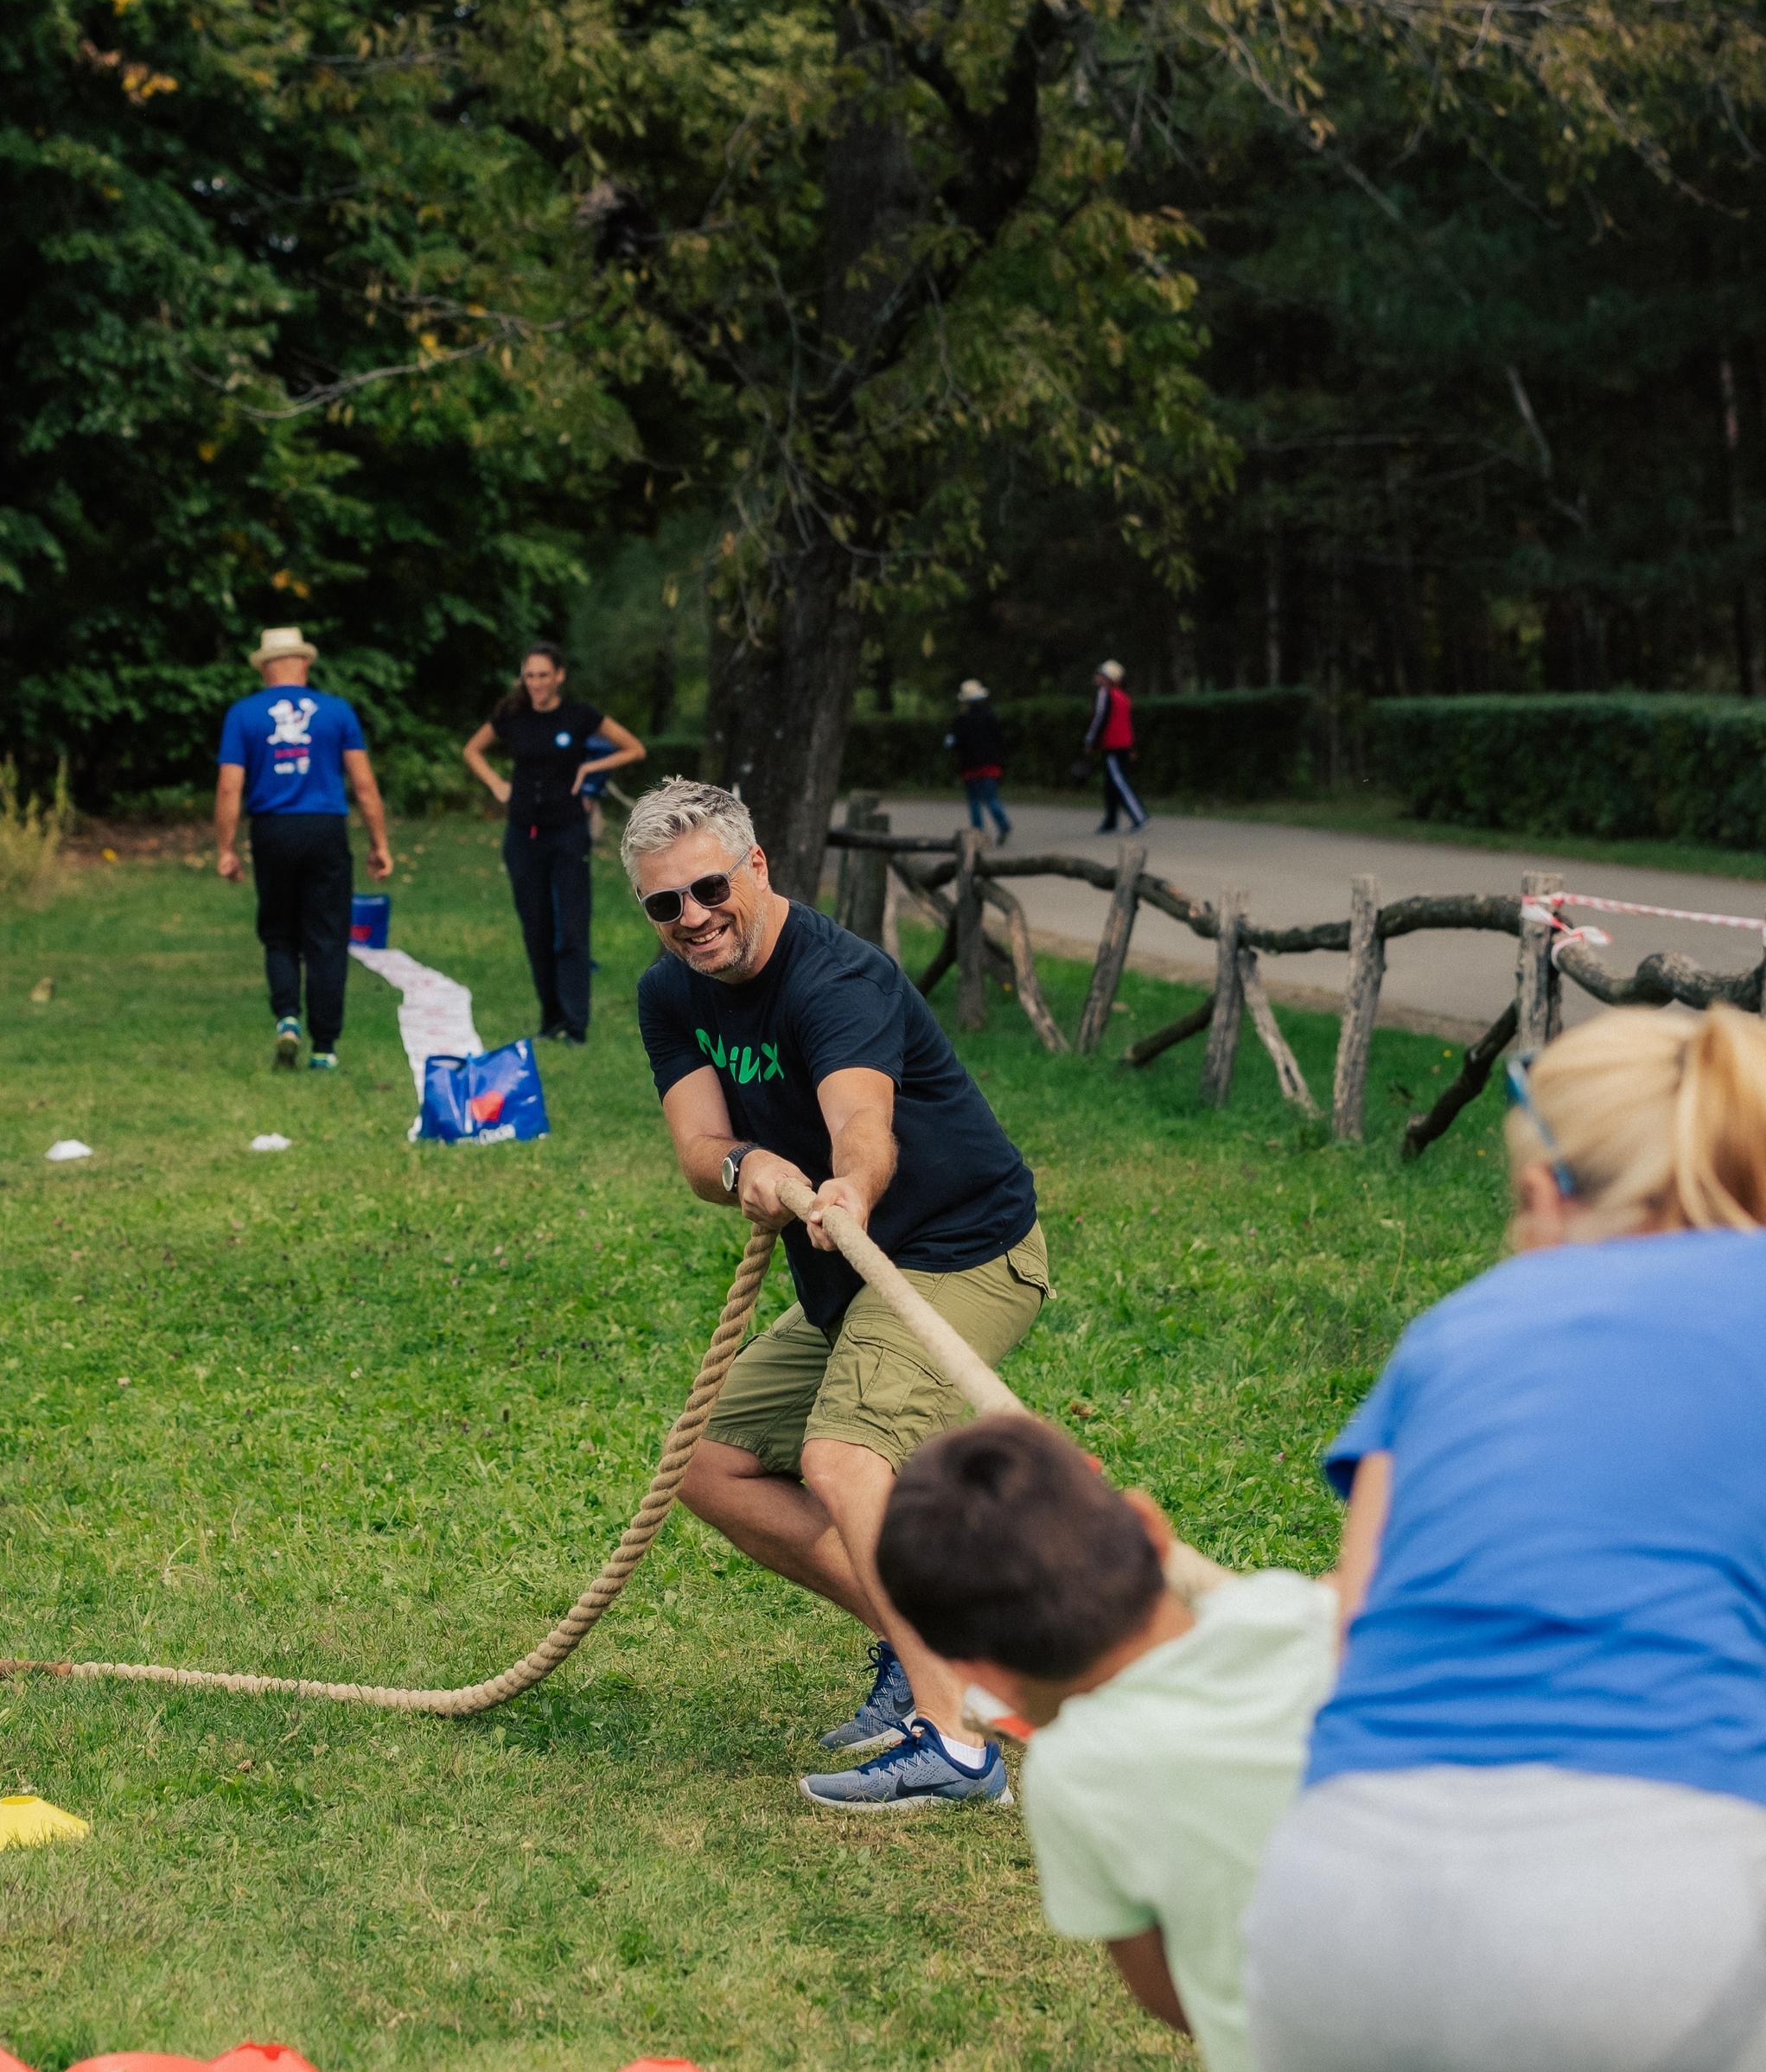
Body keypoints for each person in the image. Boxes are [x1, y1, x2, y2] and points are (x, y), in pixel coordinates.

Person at [1241, 1004, 1766, 2072]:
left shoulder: (1450, 1333)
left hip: (1330, 1904)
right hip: (1656, 1899)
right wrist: (1713, 1672)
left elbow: (1356, 1637)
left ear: (1548, 1190)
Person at [626, 776, 1050, 1810]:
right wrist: (746, 1169)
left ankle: (959, 1750)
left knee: (842, 1454)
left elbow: (863, 1120)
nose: (691, 918)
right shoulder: (669, 993)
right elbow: (698, 1148)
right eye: (663, 904)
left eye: (709, 887)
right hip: (845, 1285)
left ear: (757, 867)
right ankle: (927, 1647)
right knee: (710, 1463)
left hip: (963, 1253)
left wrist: (849, 1187)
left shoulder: (837, 978)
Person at [879, 1413, 1337, 2072]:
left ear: (979, 1673)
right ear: (1153, 1525)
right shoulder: (1295, 1611)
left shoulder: (1073, 1773)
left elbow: (1169, 1996)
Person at [214, 626, 393, 1072]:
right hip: (325, 829)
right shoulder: (337, 712)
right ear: (306, 663)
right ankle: (325, 1048)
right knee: (327, 937)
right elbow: (365, 786)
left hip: (272, 831)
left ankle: (288, 1017)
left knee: (279, 933)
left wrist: (226, 848)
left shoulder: (243, 714)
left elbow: (229, 786)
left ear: (265, 667)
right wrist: (379, 844)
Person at [462, 642, 645, 1044]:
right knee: (537, 928)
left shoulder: (579, 716)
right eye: (530, 676)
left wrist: (590, 767)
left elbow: (634, 747)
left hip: (567, 833)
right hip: (523, 836)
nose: (536, 683)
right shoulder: (513, 715)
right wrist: (497, 785)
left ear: (559, 676)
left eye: (544, 675)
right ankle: (550, 1020)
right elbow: (472, 749)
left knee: (573, 931)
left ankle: (576, 1023)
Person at [943, 679, 1011, 842]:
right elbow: (999, 738)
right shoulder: (990, 716)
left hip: (971, 766)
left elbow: (955, 743)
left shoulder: (961, 720)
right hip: (990, 764)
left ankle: (978, 832)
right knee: (991, 798)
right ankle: (1003, 824)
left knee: (974, 801)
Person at [1082, 658, 1145, 833]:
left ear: (1108, 678)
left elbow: (1099, 719)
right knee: (1110, 784)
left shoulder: (1105, 693)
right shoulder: (1122, 696)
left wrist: (1089, 741)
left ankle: (1138, 815)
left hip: (1113, 745)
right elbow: (1128, 724)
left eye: (1100, 674)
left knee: (1118, 782)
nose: (1097, 677)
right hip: (1123, 744)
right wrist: (1132, 747)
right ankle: (1111, 820)